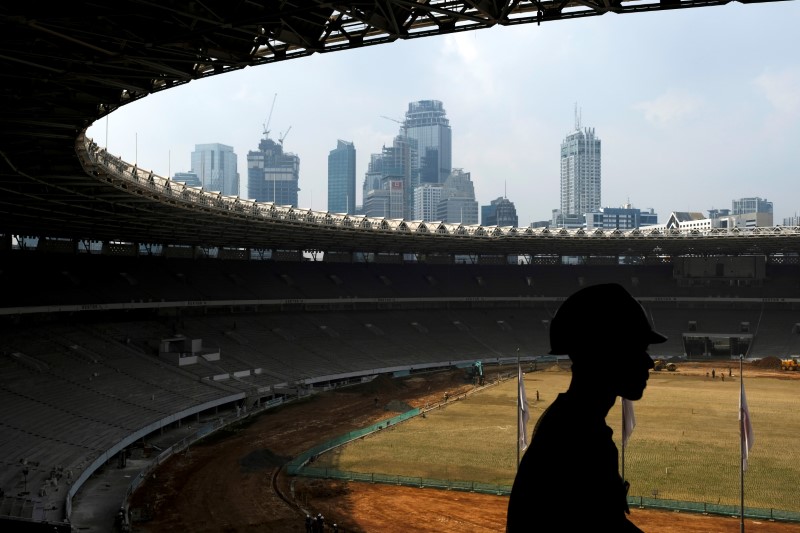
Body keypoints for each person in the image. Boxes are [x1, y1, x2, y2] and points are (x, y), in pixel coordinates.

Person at [507, 283, 667, 532]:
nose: (649, 362)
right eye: (638, 349)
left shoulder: (570, 425)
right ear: (606, 353)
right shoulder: (580, 441)